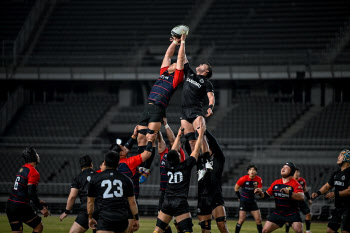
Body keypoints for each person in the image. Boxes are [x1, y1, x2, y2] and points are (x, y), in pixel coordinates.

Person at [137, 33, 187, 182]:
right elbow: (167, 55)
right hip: (148, 107)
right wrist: (175, 42)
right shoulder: (163, 72)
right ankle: (141, 165)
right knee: (141, 138)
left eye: (178, 64)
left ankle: (146, 169)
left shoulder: (176, 78)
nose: (174, 63)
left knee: (150, 137)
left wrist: (182, 43)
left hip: (158, 108)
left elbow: (178, 58)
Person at [153, 122, 205, 233]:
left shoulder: (167, 165)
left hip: (167, 200)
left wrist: (178, 136)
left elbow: (173, 151)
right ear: (179, 158)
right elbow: (195, 151)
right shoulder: (185, 166)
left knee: (158, 230)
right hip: (179, 202)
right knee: (186, 231)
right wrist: (200, 135)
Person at [180, 51, 214, 180]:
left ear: (206, 71)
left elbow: (211, 97)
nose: (199, 64)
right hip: (184, 112)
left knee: (201, 135)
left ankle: (207, 161)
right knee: (192, 142)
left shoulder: (206, 82)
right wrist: (181, 42)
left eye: (203, 64)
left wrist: (210, 107)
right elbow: (183, 58)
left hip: (195, 111)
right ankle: (200, 167)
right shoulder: (190, 73)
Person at [87, 151, 139, 233]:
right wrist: (136, 219)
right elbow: (132, 202)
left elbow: (90, 202)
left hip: (104, 218)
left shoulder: (95, 179)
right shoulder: (126, 179)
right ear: (118, 163)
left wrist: (90, 217)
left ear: (104, 162)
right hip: (121, 219)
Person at [6, 147, 50, 233]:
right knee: (38, 226)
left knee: (16, 231)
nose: (38, 156)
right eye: (36, 154)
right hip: (20, 206)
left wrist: (38, 201)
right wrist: (41, 208)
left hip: (11, 205)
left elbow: (23, 191)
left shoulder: (22, 169)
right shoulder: (33, 172)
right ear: (33, 157)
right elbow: (31, 192)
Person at [254, 162, 304, 233]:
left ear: (291, 171)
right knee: (264, 231)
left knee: (299, 231)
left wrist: (289, 192)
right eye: (283, 167)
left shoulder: (295, 183)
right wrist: (260, 193)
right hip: (278, 213)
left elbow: (301, 197)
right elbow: (265, 196)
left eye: (286, 167)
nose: (283, 168)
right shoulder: (276, 183)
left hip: (292, 213)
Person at [196, 130, 230, 233]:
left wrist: (203, 130)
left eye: (205, 143)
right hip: (202, 198)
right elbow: (191, 146)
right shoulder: (199, 160)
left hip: (215, 195)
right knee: (205, 229)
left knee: (221, 224)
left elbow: (214, 143)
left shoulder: (218, 158)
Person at [158, 118, 186, 233]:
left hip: (176, 192)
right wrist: (156, 126)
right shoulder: (163, 154)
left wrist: (165, 124)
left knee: (179, 225)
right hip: (164, 192)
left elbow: (173, 139)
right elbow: (159, 139)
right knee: (161, 224)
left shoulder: (179, 155)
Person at [311, 149, 350, 233]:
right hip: (338, 207)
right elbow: (327, 186)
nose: (338, 157)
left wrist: (335, 193)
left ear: (347, 157)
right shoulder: (336, 173)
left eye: (340, 155)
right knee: (329, 231)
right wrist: (318, 193)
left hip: (348, 208)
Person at [59, 155, 98, 233]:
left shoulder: (78, 178)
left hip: (86, 209)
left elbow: (72, 196)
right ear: (91, 164)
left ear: (81, 166)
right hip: (101, 209)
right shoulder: (99, 175)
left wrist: (66, 211)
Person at [234, 165, 263, 233]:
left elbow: (260, 191)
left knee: (259, 220)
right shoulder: (243, 178)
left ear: (256, 172)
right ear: (248, 171)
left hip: (252, 201)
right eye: (250, 170)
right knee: (241, 220)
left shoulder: (258, 179)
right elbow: (236, 188)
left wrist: (257, 189)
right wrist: (239, 197)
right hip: (244, 201)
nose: (252, 171)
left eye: (254, 170)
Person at [285, 167, 312, 233]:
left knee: (308, 214)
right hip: (292, 202)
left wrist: (309, 199)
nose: (296, 173)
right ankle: (287, 231)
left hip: (300, 201)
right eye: (295, 172)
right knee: (288, 218)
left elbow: (305, 190)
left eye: (297, 172)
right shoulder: (289, 181)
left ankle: (308, 230)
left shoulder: (302, 181)